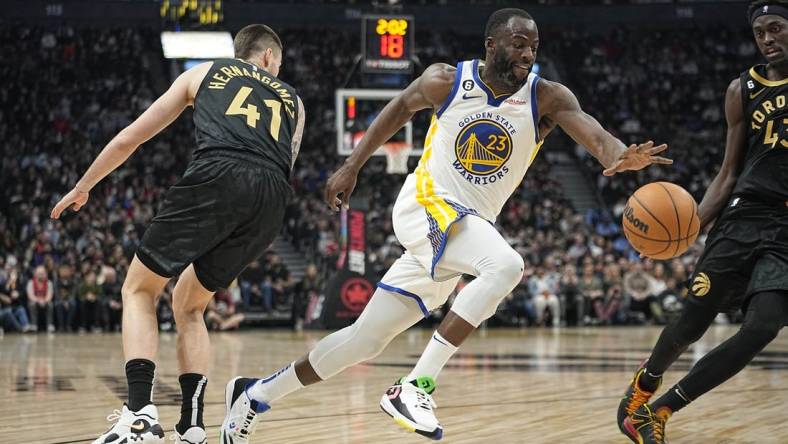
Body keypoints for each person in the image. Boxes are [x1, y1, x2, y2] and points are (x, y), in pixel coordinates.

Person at [221, 8, 669, 443]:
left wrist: (618, 154)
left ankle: (254, 394)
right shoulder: (447, 79)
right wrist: (352, 166)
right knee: (506, 266)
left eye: (533, 46)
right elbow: (397, 108)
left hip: (461, 230)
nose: (528, 54)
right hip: (426, 204)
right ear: (491, 44)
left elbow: (596, 137)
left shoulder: (546, 96)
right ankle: (415, 387)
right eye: (518, 44)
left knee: (365, 340)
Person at [50, 24, 305, 444]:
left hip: (219, 173)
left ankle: (138, 416)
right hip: (273, 199)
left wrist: (84, 185)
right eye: (278, 62)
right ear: (267, 57)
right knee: (189, 304)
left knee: (137, 289)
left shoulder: (202, 73)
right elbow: (284, 161)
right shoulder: (293, 99)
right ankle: (191, 425)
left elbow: (132, 136)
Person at [617, 2, 788, 442]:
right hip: (744, 214)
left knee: (764, 326)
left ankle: (659, 411)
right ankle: (643, 386)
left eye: (777, 29)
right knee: (695, 317)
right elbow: (729, 171)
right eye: (760, 33)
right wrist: (689, 229)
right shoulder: (743, 89)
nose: (768, 39)